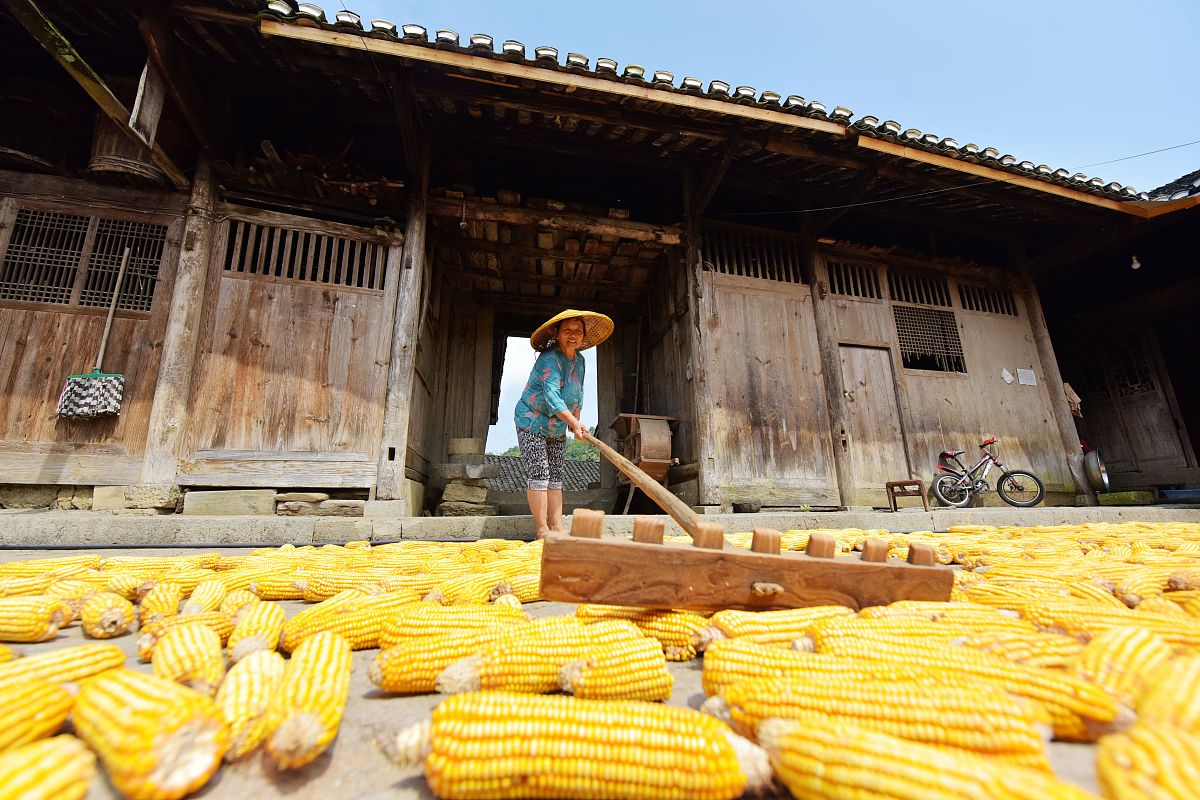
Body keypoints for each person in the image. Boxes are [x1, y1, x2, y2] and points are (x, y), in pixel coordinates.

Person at [514, 309, 613, 539]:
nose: (573, 335)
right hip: (531, 420)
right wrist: (573, 422)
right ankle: (542, 530)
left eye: (578, 331)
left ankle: (557, 527)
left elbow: (578, 392)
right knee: (540, 472)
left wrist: (575, 420)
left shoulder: (580, 361)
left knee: (556, 475)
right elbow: (553, 398)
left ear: (583, 336)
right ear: (557, 334)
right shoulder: (549, 359)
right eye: (567, 330)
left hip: (557, 425)